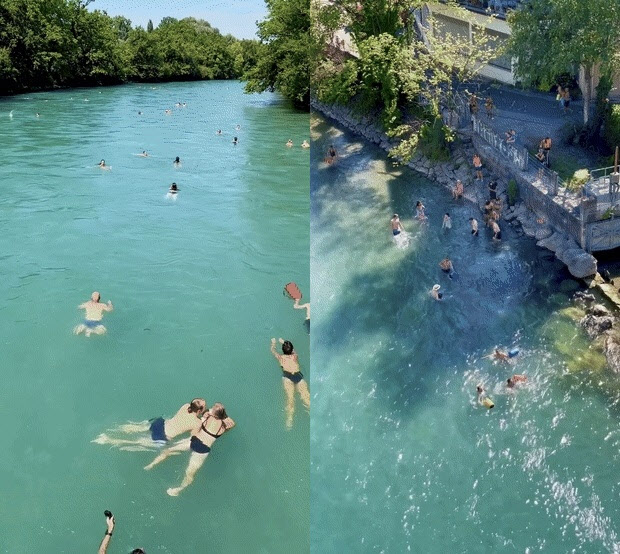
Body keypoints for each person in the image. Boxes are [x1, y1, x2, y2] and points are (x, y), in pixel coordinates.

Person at [144, 403, 236, 496]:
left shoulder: (207, 418)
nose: (210, 408)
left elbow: (205, 413)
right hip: (202, 449)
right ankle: (176, 487)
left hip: (193, 442)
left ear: (214, 414)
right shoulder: (223, 427)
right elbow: (232, 423)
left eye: (212, 409)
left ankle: (156, 468)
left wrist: (208, 413)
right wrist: (223, 415)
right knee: (190, 472)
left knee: (170, 452)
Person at [93, 399, 208, 449]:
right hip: (163, 436)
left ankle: (119, 428)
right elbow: (193, 437)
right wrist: (203, 423)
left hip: (160, 424)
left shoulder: (185, 406)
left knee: (138, 428)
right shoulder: (197, 423)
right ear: (199, 411)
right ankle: (107, 439)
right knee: (135, 442)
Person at [270, 338, 310, 428]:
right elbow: (294, 350)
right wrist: (283, 341)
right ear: (291, 350)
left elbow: (273, 351)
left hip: (287, 377)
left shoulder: (281, 358)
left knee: (290, 399)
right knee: (306, 398)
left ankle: (289, 420)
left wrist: (273, 343)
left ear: (283, 351)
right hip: (298, 377)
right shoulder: (295, 356)